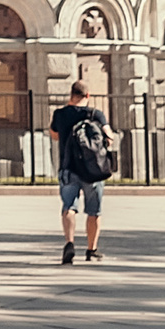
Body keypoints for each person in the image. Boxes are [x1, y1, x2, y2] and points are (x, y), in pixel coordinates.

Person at [51, 68, 114, 263]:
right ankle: (91, 249)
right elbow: (109, 136)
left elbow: (54, 135)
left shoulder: (60, 114)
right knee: (94, 211)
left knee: (69, 206)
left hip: (68, 167)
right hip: (92, 170)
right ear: (88, 95)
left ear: (71, 95)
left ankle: (69, 243)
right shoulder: (96, 114)